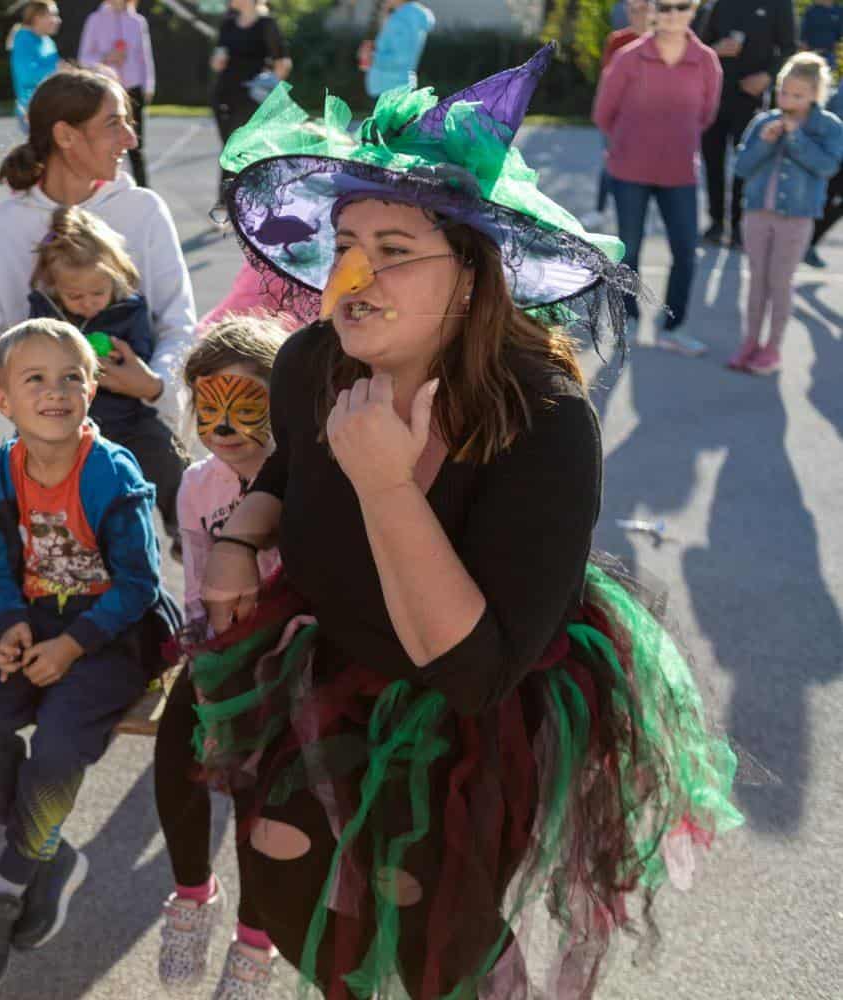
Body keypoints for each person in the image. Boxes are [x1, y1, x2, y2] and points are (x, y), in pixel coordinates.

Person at [193, 48, 741, 997]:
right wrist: (242, 535)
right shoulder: (312, 362)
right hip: (330, 655)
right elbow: (288, 463)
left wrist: (387, 486)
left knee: (426, 918)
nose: (351, 275)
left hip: (476, 712)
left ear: (475, 277)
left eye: (393, 250)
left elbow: (474, 674)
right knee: (284, 883)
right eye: (345, 243)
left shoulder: (545, 422)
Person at [0, 319, 180, 992]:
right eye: (35, 379)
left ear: (91, 390)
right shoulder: (0, 472)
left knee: (57, 743)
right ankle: (45, 850)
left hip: (113, 631)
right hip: (34, 620)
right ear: (1, 398)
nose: (55, 392)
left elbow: (140, 583)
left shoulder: (110, 470)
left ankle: (8, 881)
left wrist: (75, 643)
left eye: (70, 378)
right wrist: (8, 628)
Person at [0, 68, 197, 535]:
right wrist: (24, 399)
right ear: (66, 136)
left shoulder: (143, 211)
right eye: (114, 123)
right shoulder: (6, 225)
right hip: (46, 444)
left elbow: (178, 324)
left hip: (141, 425)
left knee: (176, 537)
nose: (131, 138)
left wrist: (154, 385)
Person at [154, 316, 287, 998]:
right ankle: (191, 894)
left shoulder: (305, 479)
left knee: (258, 789)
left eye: (245, 404)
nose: (225, 426)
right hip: (220, 646)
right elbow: (196, 580)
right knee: (175, 752)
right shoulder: (198, 486)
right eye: (209, 408)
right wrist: (201, 661)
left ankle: (256, 938)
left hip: (294, 656)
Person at [27, 205, 186, 540]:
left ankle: (185, 531)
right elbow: (30, 355)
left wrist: (121, 358)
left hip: (128, 417)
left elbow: (141, 352)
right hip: (64, 423)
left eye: (98, 293)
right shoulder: (45, 311)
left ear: (115, 277)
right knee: (30, 459)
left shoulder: (129, 309)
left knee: (167, 453)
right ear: (54, 286)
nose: (88, 303)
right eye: (75, 296)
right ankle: (47, 537)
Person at [594, 2, 721, 356]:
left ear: (693, 10)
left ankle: (673, 328)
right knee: (630, 248)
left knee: (686, 252)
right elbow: (604, 114)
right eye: (665, 6)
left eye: (681, 6)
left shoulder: (706, 60)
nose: (672, 13)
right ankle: (630, 320)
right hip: (629, 171)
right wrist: (632, 143)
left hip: (680, 172)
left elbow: (706, 113)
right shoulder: (629, 58)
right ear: (654, 11)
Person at [728, 53, 843, 375]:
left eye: (798, 96)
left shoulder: (829, 127)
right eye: (784, 93)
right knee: (756, 281)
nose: (788, 101)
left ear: (815, 95)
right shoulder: (764, 121)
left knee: (779, 282)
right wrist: (766, 143)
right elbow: (742, 167)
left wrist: (796, 137)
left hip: (796, 218)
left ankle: (773, 348)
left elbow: (827, 167)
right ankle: (749, 342)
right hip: (757, 213)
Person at [698, 0, 797, 247]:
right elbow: (699, 45)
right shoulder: (718, 3)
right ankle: (716, 222)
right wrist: (717, 49)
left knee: (747, 162)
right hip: (714, 95)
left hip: (752, 99)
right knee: (712, 159)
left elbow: (789, 49)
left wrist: (767, 77)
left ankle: (740, 226)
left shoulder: (780, 4)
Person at [210, 1, 291, 207]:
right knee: (231, 149)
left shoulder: (266, 24)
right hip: (225, 94)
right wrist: (217, 59)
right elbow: (216, 62)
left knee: (235, 148)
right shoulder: (228, 24)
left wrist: (271, 89)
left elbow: (282, 62)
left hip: (251, 97)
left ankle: (228, 203)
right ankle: (235, 201)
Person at [580, 0, 650, 230]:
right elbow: (609, 82)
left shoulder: (662, 42)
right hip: (620, 118)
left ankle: (639, 213)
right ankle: (599, 211)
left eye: (642, 9)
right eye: (632, 10)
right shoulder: (617, 40)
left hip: (651, 119)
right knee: (610, 162)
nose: (637, 15)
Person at [78, 0, 157, 188]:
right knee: (105, 143)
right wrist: (106, 58)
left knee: (136, 145)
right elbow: (84, 57)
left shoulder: (137, 21)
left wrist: (148, 86)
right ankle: (102, 189)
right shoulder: (95, 19)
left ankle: (143, 190)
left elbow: (145, 56)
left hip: (133, 90)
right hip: (106, 91)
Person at [358, 0, 436, 99]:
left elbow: (401, 58)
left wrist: (371, 58)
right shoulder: (409, 15)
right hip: (394, 89)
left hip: (390, 91)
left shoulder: (403, 18)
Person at [9, 2, 64, 131]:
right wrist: (58, 70)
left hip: (52, 109)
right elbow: (26, 75)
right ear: (37, 17)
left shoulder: (48, 41)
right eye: (53, 15)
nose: (58, 20)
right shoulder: (23, 39)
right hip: (33, 112)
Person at [806, 79, 843, 265]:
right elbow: (835, 109)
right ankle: (804, 243)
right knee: (824, 197)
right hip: (836, 150)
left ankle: (808, 243)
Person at [800, 0, 843, 69]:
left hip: (830, 55)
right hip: (812, 54)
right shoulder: (811, 11)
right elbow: (803, 36)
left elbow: (839, 35)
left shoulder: (839, 10)